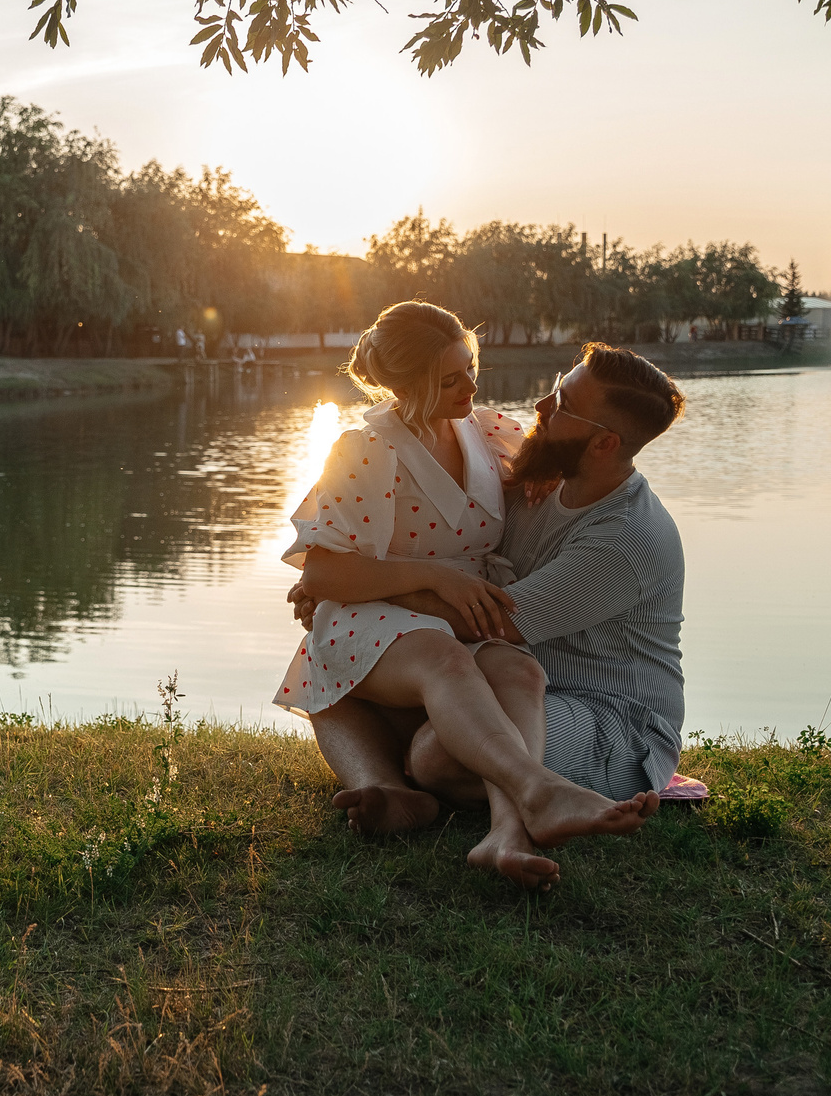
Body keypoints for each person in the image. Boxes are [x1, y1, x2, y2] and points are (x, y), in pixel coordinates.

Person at [295, 341, 690, 886]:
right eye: (555, 386)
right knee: (339, 666)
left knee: (437, 753)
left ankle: (512, 811)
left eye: (563, 405)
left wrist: (358, 592)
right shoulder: (537, 483)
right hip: (519, 681)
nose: (541, 407)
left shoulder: (628, 538)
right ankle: (406, 788)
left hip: (611, 721)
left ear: (603, 443)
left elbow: (488, 620)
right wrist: (340, 585)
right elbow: (447, 549)